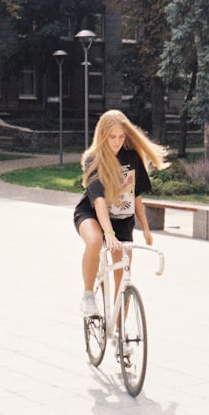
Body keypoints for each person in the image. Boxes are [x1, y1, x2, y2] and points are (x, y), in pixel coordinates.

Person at [74, 110, 168, 316]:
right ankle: (88, 295)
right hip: (91, 214)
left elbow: (136, 197)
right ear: (102, 136)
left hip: (121, 219)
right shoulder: (94, 159)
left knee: (122, 277)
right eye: (112, 137)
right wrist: (108, 233)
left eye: (121, 136)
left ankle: (120, 331)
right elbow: (98, 201)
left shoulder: (131, 157)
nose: (117, 142)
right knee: (95, 241)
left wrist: (145, 228)